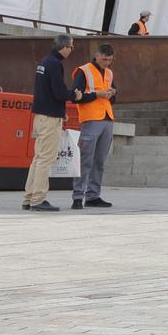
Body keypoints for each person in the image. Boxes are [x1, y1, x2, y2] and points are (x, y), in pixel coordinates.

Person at [23, 35, 74, 211]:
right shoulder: (55, 64)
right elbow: (59, 92)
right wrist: (75, 95)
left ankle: (29, 198)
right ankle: (38, 199)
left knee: (38, 159)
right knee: (46, 159)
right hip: (50, 118)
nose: (71, 50)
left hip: (41, 115)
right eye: (71, 47)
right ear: (65, 47)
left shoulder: (44, 61)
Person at [71, 43, 118, 210]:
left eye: (110, 60)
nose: (107, 63)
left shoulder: (109, 72)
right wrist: (98, 94)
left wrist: (112, 93)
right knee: (85, 160)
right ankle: (77, 196)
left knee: (99, 161)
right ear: (96, 56)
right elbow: (75, 96)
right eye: (104, 59)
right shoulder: (84, 71)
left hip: (107, 118)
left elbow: (112, 95)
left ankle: (93, 196)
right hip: (90, 118)